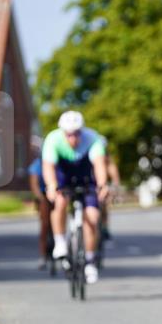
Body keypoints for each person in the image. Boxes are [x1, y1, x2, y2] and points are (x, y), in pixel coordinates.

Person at [41, 111, 109, 285]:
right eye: (69, 134)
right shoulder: (53, 139)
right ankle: (60, 242)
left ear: (82, 131)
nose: (73, 138)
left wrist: (102, 185)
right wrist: (51, 186)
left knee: (92, 217)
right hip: (63, 176)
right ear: (63, 133)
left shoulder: (92, 139)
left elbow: (100, 165)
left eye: (76, 133)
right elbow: (48, 167)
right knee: (60, 201)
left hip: (86, 177)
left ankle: (90, 260)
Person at [27, 141, 52, 270]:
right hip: (43, 195)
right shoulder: (36, 166)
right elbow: (34, 185)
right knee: (44, 225)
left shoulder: (55, 162)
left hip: (55, 191)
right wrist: (41, 198)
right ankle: (42, 256)